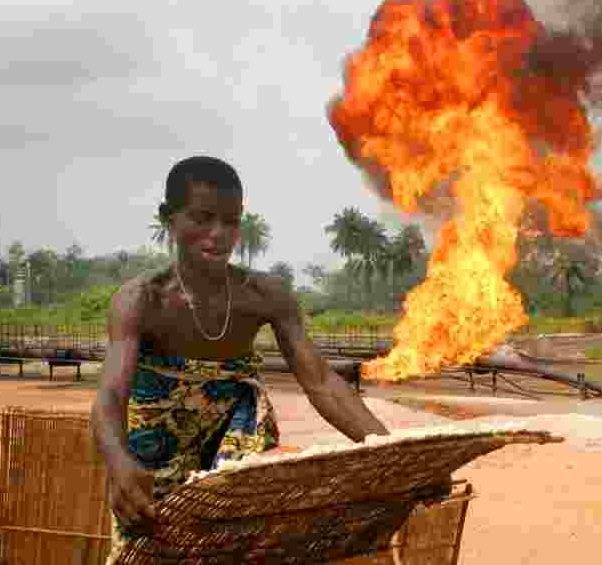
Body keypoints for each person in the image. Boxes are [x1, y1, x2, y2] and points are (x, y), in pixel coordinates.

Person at [90, 156, 390, 563]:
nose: (218, 234)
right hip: (152, 454)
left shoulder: (265, 296)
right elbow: (110, 395)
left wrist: (388, 450)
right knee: (148, 552)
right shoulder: (141, 301)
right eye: (202, 217)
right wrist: (120, 464)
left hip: (236, 441)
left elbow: (321, 381)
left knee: (243, 548)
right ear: (169, 219)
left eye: (230, 222)